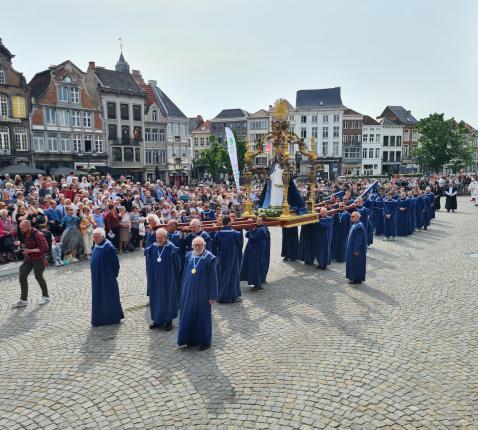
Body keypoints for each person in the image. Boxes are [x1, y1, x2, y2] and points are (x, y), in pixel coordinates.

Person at [177, 236, 218, 351]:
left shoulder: (210, 258)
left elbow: (213, 278)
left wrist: (212, 296)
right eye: (195, 245)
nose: (198, 247)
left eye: (200, 245)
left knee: (202, 317)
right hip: (189, 291)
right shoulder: (189, 255)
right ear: (192, 246)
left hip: (203, 293)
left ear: (204, 245)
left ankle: (205, 341)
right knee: (189, 315)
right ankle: (190, 339)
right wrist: (183, 290)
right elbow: (185, 273)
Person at [145, 228, 181, 331]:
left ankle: (168, 321)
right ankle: (157, 320)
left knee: (167, 298)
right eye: (157, 238)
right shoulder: (153, 247)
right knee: (156, 298)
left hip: (168, 279)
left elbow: (177, 265)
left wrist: (172, 276)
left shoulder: (171, 248)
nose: (158, 240)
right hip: (155, 279)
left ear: (166, 237)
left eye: (161, 238)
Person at [90, 228, 124, 327]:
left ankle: (112, 318)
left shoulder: (108, 246)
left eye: (97, 237)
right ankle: (100, 319)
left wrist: (112, 275)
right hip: (97, 278)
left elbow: (115, 264)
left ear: (103, 236)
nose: (95, 238)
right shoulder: (96, 245)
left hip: (107, 277)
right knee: (99, 297)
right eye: (94, 236)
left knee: (110, 297)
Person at [12, 220, 50, 308]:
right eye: (20, 228)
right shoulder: (25, 233)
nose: (21, 230)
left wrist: (30, 250)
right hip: (29, 258)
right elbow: (29, 245)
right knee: (22, 275)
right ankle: (23, 300)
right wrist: (23, 249)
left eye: (22, 228)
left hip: (39, 258)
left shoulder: (38, 234)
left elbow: (45, 248)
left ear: (28, 226)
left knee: (38, 276)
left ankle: (45, 296)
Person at [212, 215, 243, 303]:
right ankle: (232, 296)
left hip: (221, 257)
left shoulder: (218, 233)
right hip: (233, 257)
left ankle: (221, 295)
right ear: (229, 222)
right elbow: (239, 244)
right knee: (233, 275)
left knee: (222, 275)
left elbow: (214, 246)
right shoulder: (235, 233)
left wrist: (217, 255)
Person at [240, 216, 268, 290]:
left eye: (259, 220)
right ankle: (252, 282)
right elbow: (246, 235)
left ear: (263, 222)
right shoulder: (255, 227)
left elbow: (253, 238)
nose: (258, 222)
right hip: (251, 249)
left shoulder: (262, 230)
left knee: (256, 266)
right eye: (257, 220)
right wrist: (251, 230)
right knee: (251, 266)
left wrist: (252, 231)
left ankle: (258, 284)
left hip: (257, 251)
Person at [346, 211, 367, 285]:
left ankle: (357, 279)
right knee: (353, 263)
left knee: (357, 264)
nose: (351, 218)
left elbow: (358, 239)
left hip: (356, 250)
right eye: (351, 216)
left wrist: (356, 250)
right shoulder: (355, 224)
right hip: (351, 247)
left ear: (358, 217)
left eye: (353, 216)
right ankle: (354, 277)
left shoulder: (359, 226)